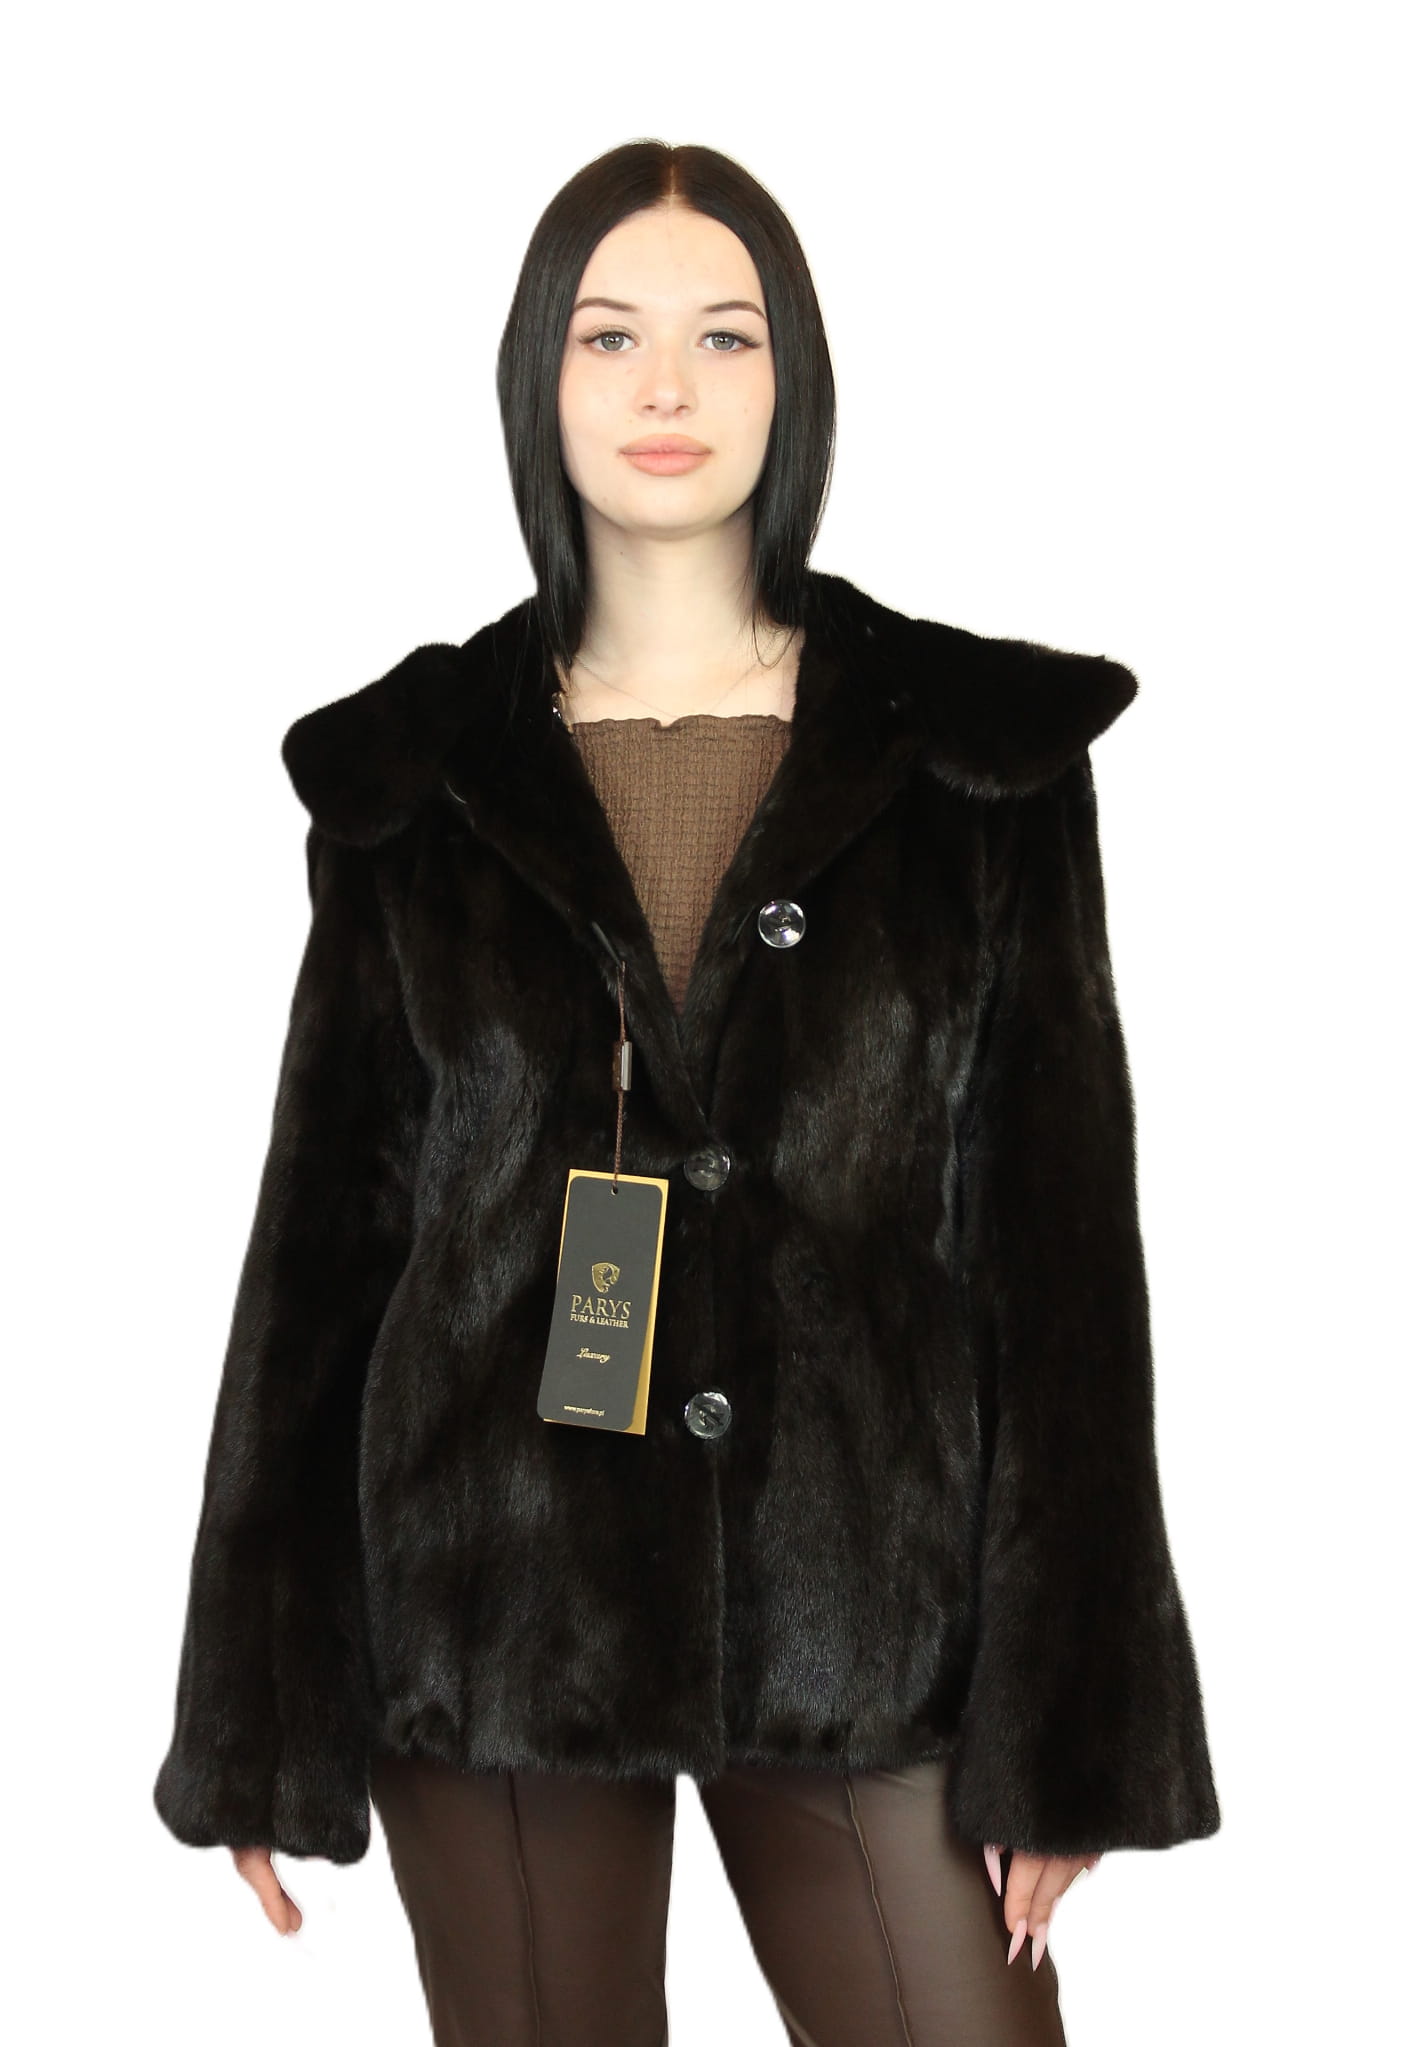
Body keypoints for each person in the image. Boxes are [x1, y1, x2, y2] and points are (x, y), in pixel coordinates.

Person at [153, 140, 1220, 2045]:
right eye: (609, 336)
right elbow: (319, 1256)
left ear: (792, 377)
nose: (667, 386)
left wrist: (1067, 1718)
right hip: (491, 1601)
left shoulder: (974, 763)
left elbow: (1061, 1256)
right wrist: (257, 1704)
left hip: (868, 1603)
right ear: (537, 379)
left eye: (724, 336)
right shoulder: (413, 778)